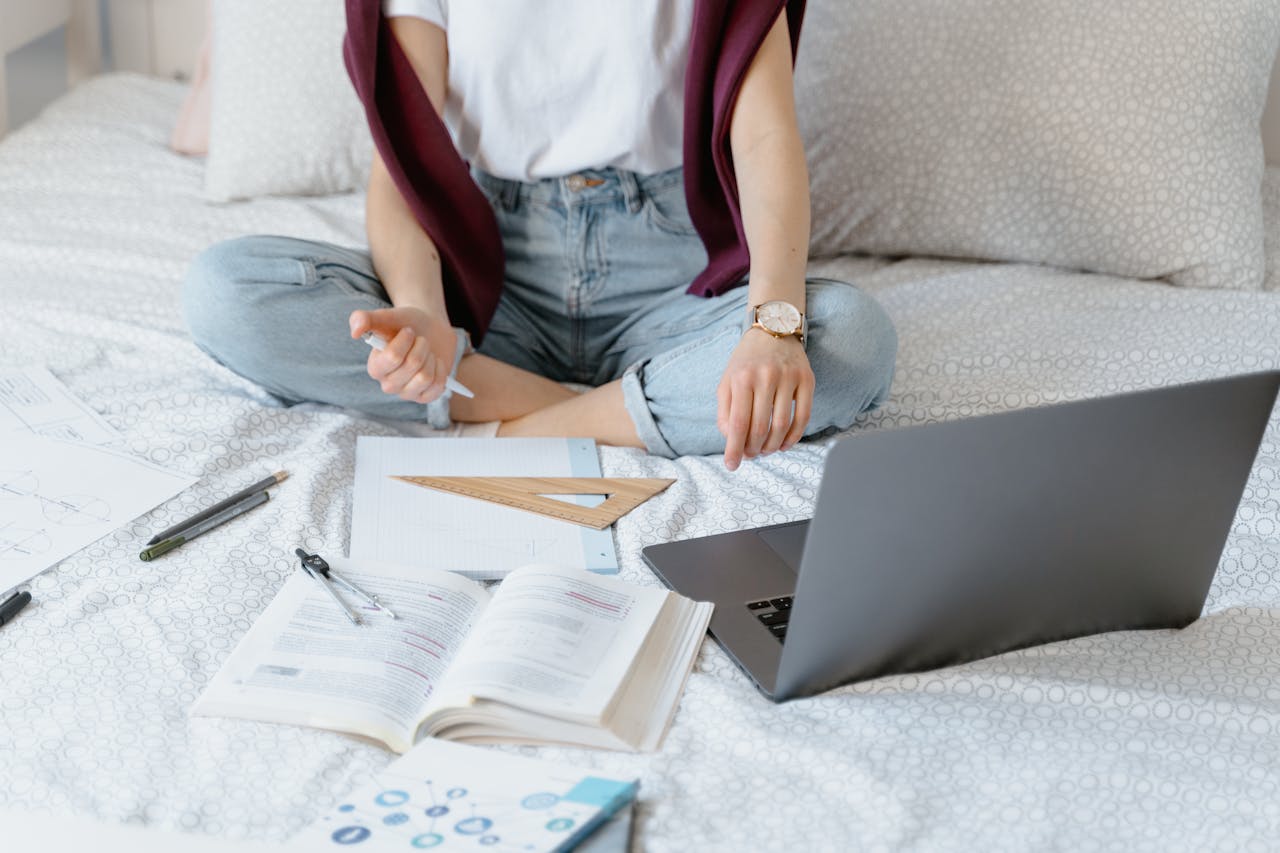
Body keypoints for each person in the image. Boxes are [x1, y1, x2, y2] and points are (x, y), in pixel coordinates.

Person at [183, 0, 897, 471]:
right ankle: (620, 406)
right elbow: (401, 168)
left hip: (671, 284)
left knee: (851, 339)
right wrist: (426, 321)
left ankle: (514, 421)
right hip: (490, 283)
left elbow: (766, 131)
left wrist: (772, 325)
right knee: (227, 292)